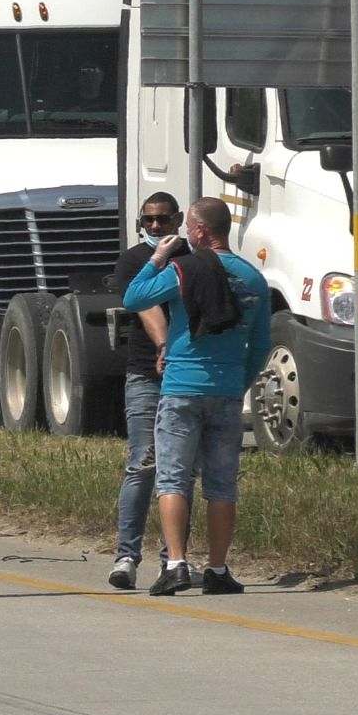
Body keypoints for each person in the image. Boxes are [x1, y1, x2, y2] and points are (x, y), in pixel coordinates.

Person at [124, 197, 272, 596]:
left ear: (202, 231)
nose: (185, 233)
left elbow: (134, 298)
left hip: (181, 389)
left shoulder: (183, 269)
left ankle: (175, 564)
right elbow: (261, 345)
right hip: (225, 391)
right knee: (222, 486)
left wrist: (157, 256)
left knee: (173, 478)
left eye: (189, 226)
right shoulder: (254, 279)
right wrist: (239, 383)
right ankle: (219, 569)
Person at [106, 192, 184, 590]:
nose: (155, 227)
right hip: (145, 375)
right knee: (142, 465)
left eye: (163, 220)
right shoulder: (135, 259)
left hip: (186, 377)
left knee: (179, 472)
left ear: (179, 219)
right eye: (148, 220)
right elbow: (144, 305)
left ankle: (173, 560)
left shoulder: (192, 257)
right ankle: (126, 557)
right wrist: (163, 346)